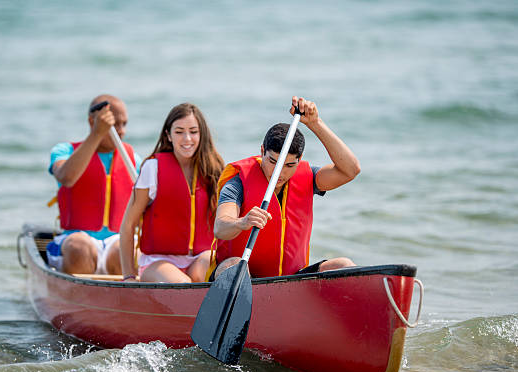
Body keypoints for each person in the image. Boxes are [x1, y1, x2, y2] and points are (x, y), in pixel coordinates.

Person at [209, 96, 361, 280]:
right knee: (232, 266)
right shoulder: (238, 182)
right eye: (273, 161)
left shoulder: (308, 177)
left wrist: (315, 123)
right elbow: (220, 227)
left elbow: (350, 170)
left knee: (343, 265)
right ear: (262, 151)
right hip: (242, 275)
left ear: (299, 159)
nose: (279, 173)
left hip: (290, 279)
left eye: (289, 165)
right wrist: (242, 222)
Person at [119, 103, 224, 283]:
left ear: (202, 134)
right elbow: (128, 225)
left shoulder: (214, 171)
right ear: (168, 135)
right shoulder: (153, 168)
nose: (187, 138)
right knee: (183, 285)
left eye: (193, 131)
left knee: (219, 270)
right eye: (179, 132)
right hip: (158, 262)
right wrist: (129, 276)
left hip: (199, 258)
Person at [47, 94, 141, 276]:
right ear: (93, 122)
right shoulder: (64, 151)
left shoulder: (132, 160)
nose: (121, 131)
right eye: (115, 125)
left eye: (124, 124)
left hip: (117, 240)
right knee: (79, 248)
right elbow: (66, 177)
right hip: (75, 237)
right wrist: (97, 134)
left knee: (129, 252)